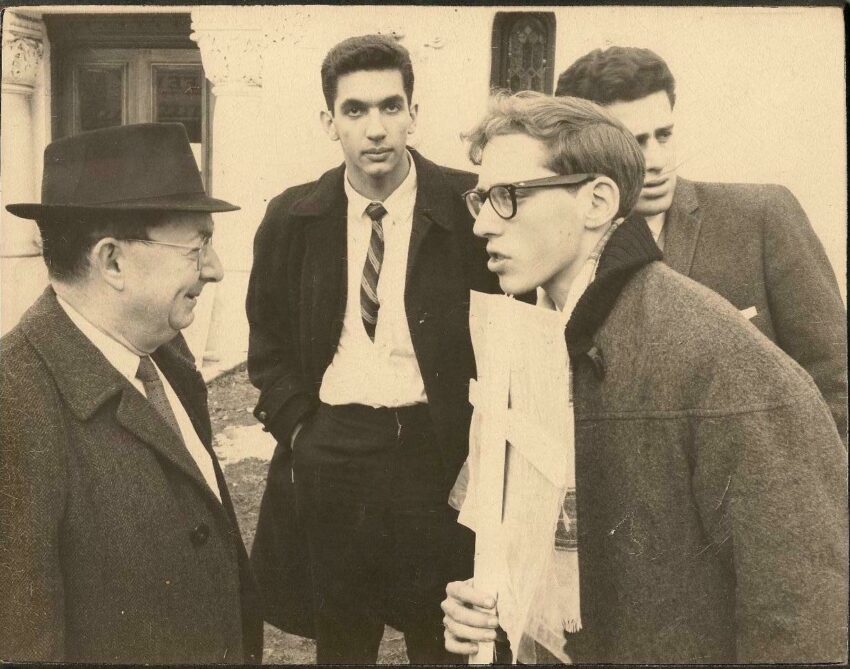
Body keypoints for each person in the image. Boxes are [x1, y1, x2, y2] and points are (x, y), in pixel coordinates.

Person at [440, 91, 848, 663]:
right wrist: (489, 606)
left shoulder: (718, 357)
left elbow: (801, 618)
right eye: (480, 198)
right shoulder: (526, 338)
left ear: (598, 200)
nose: (483, 223)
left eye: (508, 197)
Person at [246, 34, 497, 664]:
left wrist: (479, 446)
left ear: (415, 112)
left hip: (438, 453)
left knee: (444, 638)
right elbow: (266, 339)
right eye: (355, 111)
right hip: (334, 448)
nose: (376, 128)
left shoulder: (470, 208)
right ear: (329, 121)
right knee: (344, 639)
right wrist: (301, 429)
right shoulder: (292, 216)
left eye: (391, 107)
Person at [0, 123, 262, 664]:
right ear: (112, 261)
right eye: (198, 247)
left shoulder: (167, 353)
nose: (213, 270)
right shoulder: (12, 403)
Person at [555, 46, 847, 443]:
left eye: (664, 135)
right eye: (634, 143)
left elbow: (835, 380)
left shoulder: (762, 217)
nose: (656, 160)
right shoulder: (564, 252)